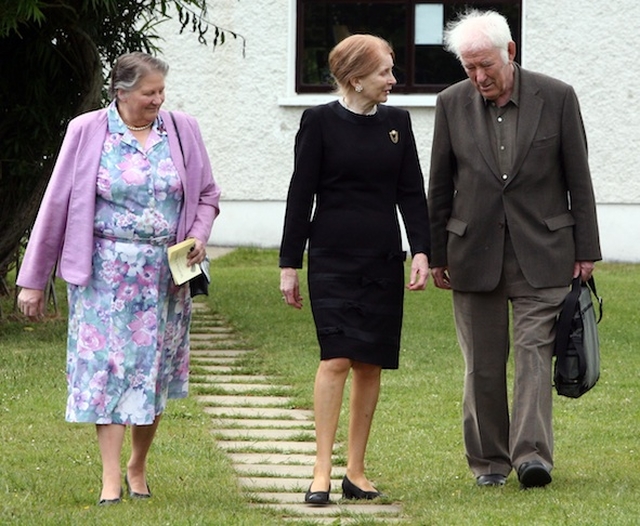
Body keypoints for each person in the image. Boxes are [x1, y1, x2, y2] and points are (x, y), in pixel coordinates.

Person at [16, 52, 221, 505]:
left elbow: (207, 193)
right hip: (104, 275)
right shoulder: (87, 131)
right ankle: (111, 478)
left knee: (153, 374)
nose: (158, 100)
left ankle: (138, 466)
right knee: (106, 374)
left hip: (167, 275)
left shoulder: (182, 129)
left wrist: (198, 234)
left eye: (162, 91)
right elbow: (55, 206)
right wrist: (33, 279)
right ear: (121, 92)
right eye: (149, 93)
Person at [427, 10, 601, 488]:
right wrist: (436, 251)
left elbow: (578, 179)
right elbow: (439, 185)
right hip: (472, 253)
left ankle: (531, 458)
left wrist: (586, 249)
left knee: (532, 356)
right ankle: (489, 463)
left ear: (511, 52)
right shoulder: (450, 103)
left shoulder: (558, 97)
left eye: (485, 65)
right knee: (482, 364)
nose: (479, 77)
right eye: (469, 68)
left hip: (544, 249)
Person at [279, 34, 431, 504]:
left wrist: (423, 251)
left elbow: (411, 191)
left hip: (383, 257)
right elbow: (300, 194)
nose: (392, 80)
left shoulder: (397, 123)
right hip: (331, 257)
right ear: (355, 78)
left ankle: (356, 472)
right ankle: (321, 470)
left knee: (370, 363)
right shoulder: (319, 122)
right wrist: (289, 263)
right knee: (337, 357)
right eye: (385, 71)